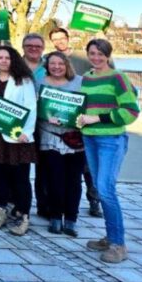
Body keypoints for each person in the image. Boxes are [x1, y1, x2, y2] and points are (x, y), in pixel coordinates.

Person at [77, 39, 140, 264]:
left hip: (111, 139)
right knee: (99, 188)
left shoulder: (118, 78)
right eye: (92, 53)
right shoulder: (87, 78)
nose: (96, 57)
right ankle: (110, 236)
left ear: (108, 55)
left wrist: (98, 117)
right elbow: (82, 108)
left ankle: (118, 245)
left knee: (106, 189)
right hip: (90, 139)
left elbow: (132, 111)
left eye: (100, 53)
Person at [0, 46, 36, 236]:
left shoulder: (24, 80)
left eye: (7, 58)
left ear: (14, 60)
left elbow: (31, 107)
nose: (3, 61)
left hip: (16, 136)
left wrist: (26, 132)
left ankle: (24, 216)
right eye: (0, 57)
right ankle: (0, 211)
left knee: (20, 178)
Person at [48, 27, 103, 218]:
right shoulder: (50, 58)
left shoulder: (83, 56)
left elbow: (101, 68)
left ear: (68, 38)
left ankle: (94, 200)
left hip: (82, 119)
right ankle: (57, 207)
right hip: (59, 120)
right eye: (55, 39)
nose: (59, 42)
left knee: (88, 167)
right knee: (65, 171)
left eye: (62, 38)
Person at [36, 52, 84, 237]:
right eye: (52, 64)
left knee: (73, 181)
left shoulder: (79, 82)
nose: (56, 67)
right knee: (54, 179)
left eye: (60, 63)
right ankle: (55, 216)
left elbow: (87, 106)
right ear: (47, 66)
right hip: (50, 136)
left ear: (67, 65)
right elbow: (35, 107)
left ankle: (71, 219)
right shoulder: (40, 83)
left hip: (74, 138)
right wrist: (46, 115)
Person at [22, 33, 48, 217]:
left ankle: (44, 205)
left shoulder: (51, 66)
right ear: (23, 47)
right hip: (20, 122)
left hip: (44, 122)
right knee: (19, 165)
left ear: (43, 48)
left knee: (44, 166)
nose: (33, 48)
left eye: (37, 46)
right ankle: (17, 204)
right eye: (29, 45)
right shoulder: (15, 64)